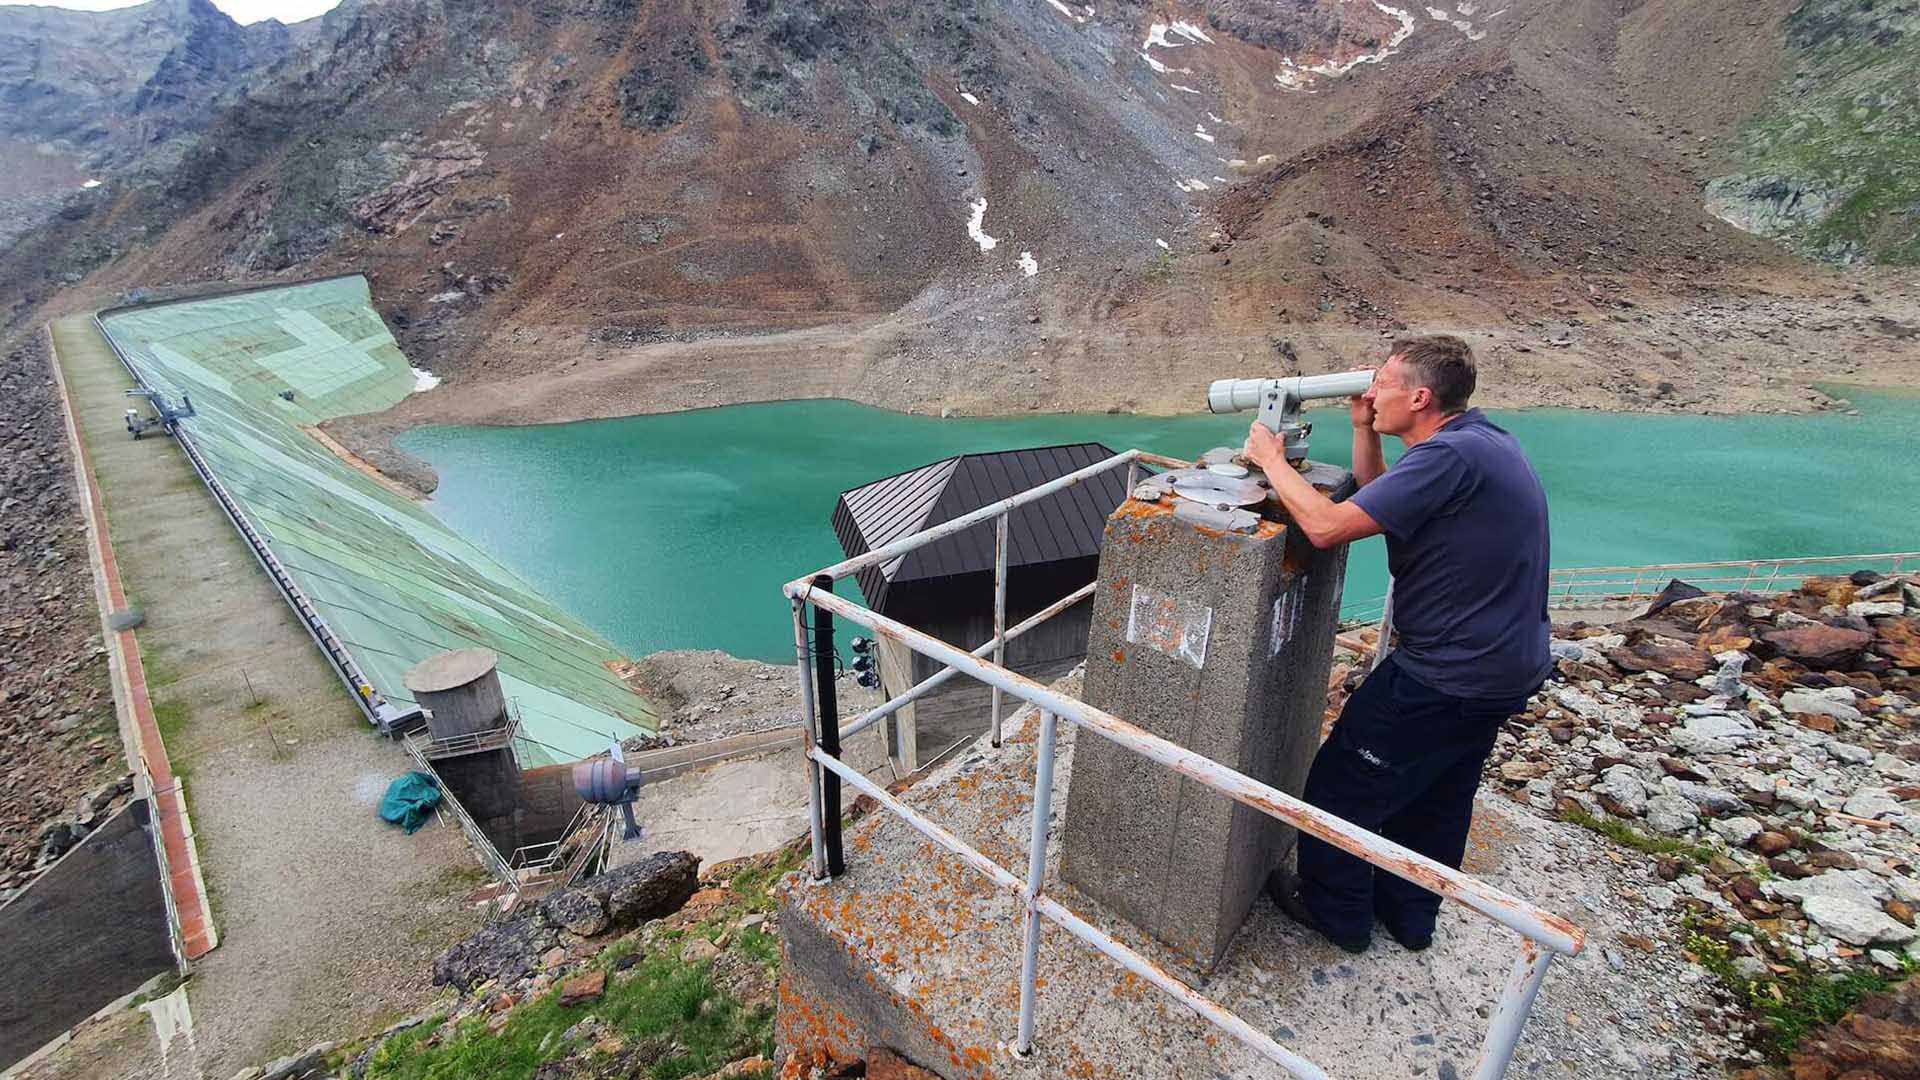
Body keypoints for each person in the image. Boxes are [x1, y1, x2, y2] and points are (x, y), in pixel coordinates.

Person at [1243, 334, 1551, 954]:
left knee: (1341, 786)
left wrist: (1271, 461)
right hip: (1503, 666)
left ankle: (1338, 915)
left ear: (1420, 395)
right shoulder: (1476, 442)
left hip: (1446, 671)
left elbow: (1329, 528)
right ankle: (1411, 918)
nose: (1369, 389)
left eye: (1381, 382)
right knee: (1437, 798)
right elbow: (1382, 494)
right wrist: (1368, 429)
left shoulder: (1449, 459)